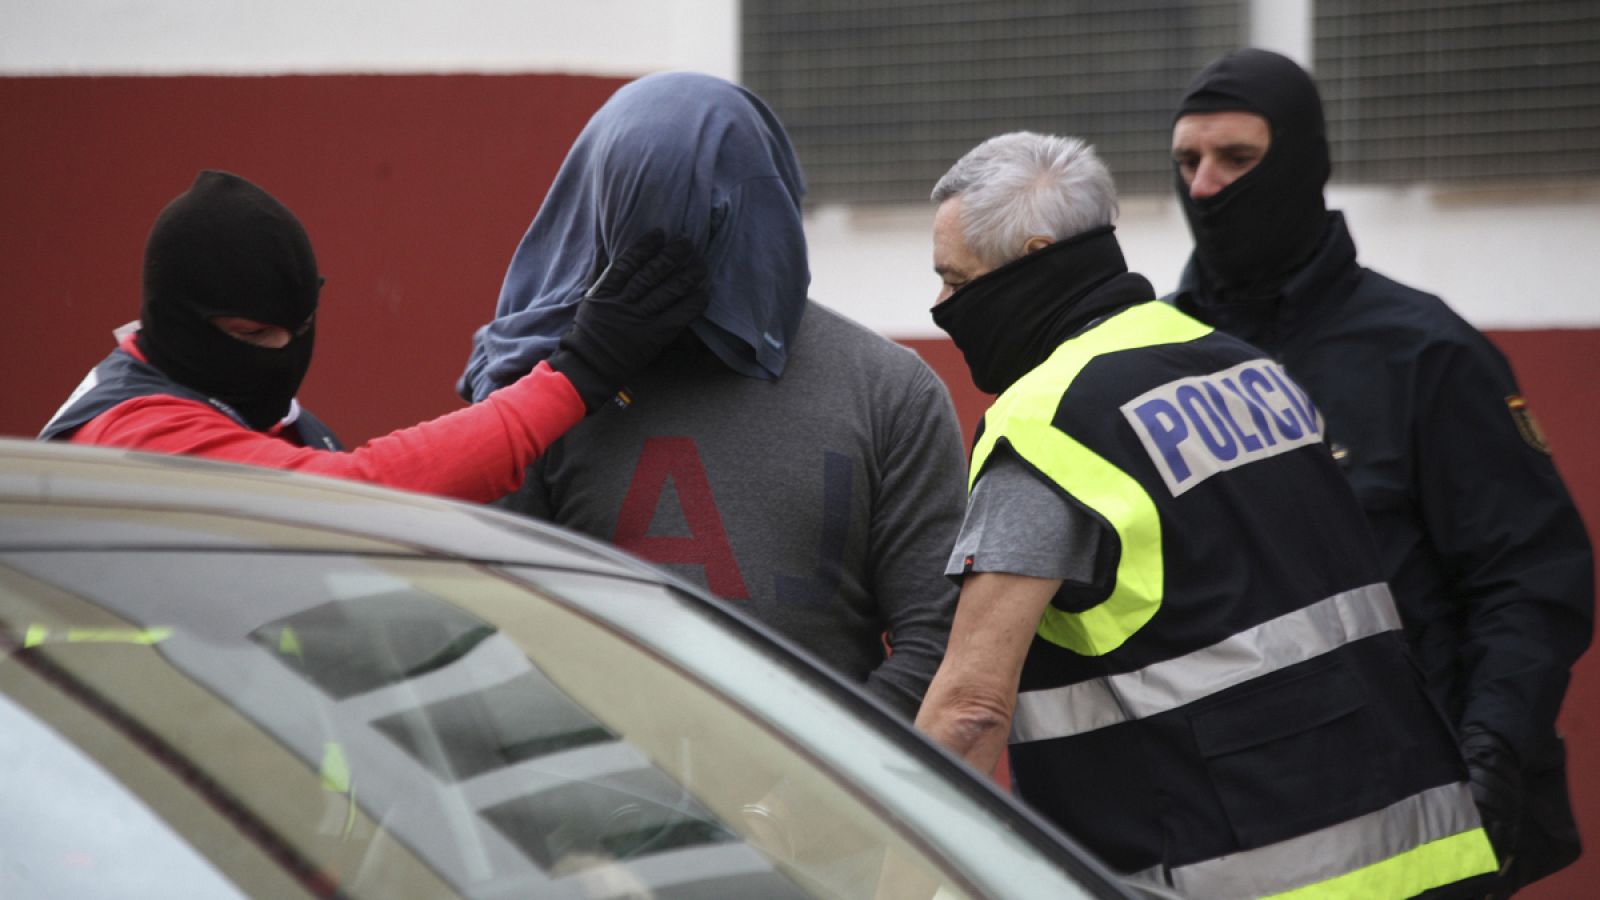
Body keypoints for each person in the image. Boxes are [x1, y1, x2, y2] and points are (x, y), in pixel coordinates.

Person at [913, 131, 1498, 898]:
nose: (942, 306)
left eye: (956, 281)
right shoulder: (1242, 366)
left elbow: (970, 709)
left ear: (1033, 257)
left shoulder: (1047, 426)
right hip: (1427, 851)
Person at [1168, 48, 1595, 893]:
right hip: (1230, 823)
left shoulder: (1424, 353)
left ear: (1300, 162)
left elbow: (1531, 585)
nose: (1206, 186)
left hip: (1417, 816)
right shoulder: (1158, 358)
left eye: (1237, 159)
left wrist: (1487, 765)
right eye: (1187, 161)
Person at [459, 72, 966, 719]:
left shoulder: (888, 391)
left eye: (704, 228)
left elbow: (940, 645)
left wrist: (812, 785)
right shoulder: (534, 392)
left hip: (822, 803)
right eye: (646, 230)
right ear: (603, 210)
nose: (672, 259)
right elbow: (491, 627)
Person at [42, 170, 708, 505]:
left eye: (298, 331)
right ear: (177, 320)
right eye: (253, 333)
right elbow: (355, 495)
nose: (282, 354)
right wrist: (578, 373)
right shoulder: (137, 438)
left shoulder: (250, 417)